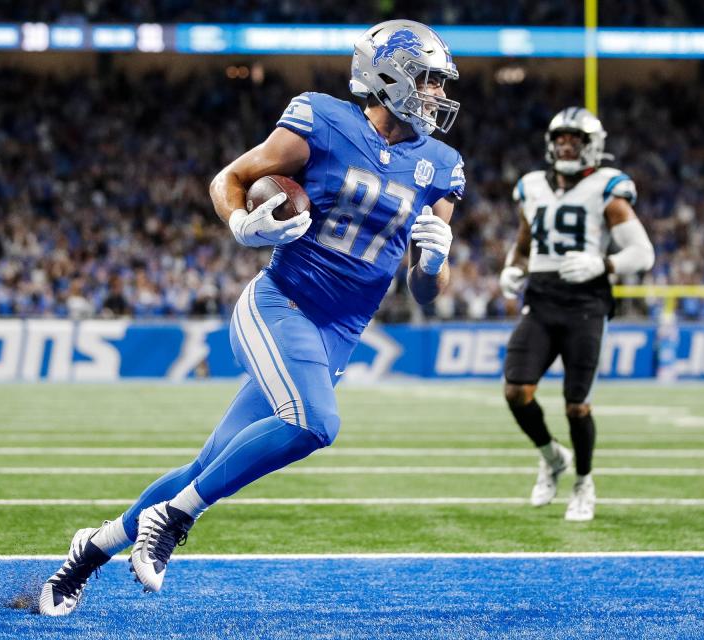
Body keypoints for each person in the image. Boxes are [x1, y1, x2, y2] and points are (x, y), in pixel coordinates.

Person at [39, 19, 465, 616]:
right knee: (315, 423)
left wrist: (436, 260)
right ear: (387, 75)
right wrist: (242, 223)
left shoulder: (441, 164)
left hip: (340, 334)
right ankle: (177, 515)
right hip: (281, 302)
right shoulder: (323, 119)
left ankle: (88, 552)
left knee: (208, 463)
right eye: (428, 81)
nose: (438, 96)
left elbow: (426, 291)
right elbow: (231, 179)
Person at [498, 108, 654, 522]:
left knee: (576, 405)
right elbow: (525, 240)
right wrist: (513, 267)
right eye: (561, 139)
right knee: (516, 389)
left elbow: (643, 253)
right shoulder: (531, 185)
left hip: (586, 302)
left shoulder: (608, 187)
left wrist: (602, 264)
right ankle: (552, 457)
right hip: (543, 296)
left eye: (576, 140)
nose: (567, 146)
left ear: (592, 146)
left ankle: (584, 482)